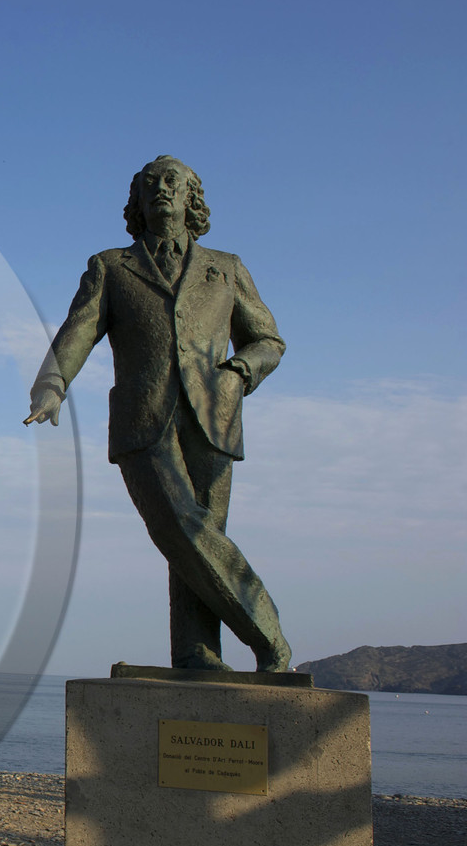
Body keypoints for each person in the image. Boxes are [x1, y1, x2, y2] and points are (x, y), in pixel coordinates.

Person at [25, 156, 291, 674]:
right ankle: (268, 632)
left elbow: (268, 339)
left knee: (199, 538)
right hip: (143, 420)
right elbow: (79, 329)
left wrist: (241, 370)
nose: (161, 190)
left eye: (172, 182)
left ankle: (197, 654)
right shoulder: (111, 266)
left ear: (192, 197)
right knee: (178, 526)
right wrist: (52, 384)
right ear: (138, 203)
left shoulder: (227, 267)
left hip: (215, 415)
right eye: (150, 185)